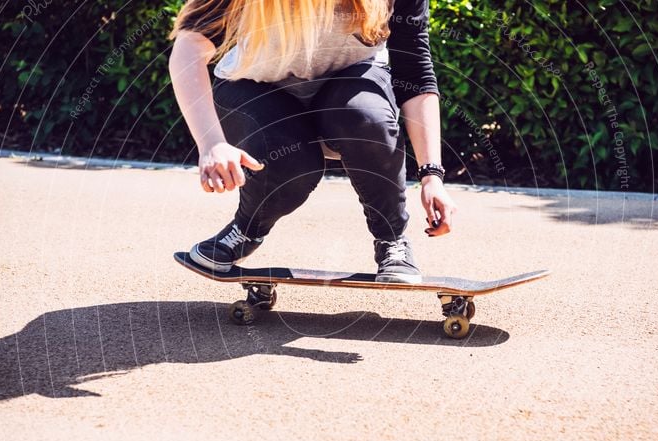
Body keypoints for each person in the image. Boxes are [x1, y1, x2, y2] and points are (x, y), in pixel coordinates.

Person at [168, 0, 456, 283]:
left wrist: (432, 175)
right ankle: (246, 230)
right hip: (255, 84)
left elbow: (415, 73)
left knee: (366, 119)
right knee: (292, 162)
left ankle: (391, 240)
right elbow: (189, 46)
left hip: (350, 84)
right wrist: (212, 144)